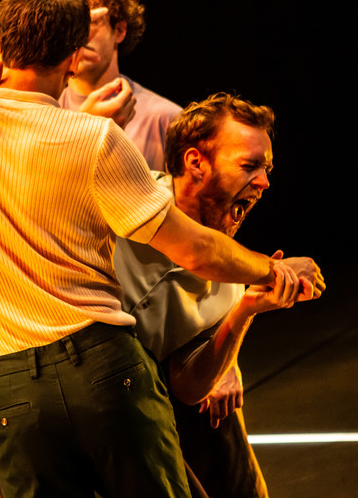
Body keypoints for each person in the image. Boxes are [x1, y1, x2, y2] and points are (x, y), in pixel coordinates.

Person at [0, 0, 324, 498]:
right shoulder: (93, 136)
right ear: (74, 56)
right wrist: (273, 269)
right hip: (101, 366)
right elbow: (195, 248)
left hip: (8, 384)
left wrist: (7, 52)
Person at [115, 93, 301, 497]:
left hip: (140, 404)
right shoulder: (131, 193)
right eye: (249, 166)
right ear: (195, 162)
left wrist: (246, 310)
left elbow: (188, 385)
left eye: (266, 169)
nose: (264, 182)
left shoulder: (231, 276)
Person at [45, 0, 182, 171]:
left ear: (119, 31)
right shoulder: (40, 108)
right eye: (69, 24)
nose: (77, 36)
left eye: (89, 22)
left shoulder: (165, 119)